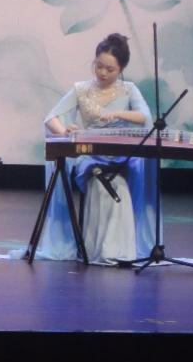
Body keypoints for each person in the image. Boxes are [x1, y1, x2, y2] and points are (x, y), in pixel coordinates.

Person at [34, 32, 157, 264]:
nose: (102, 73)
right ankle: (99, 250)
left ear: (121, 69)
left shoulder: (129, 90)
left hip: (120, 156)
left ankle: (117, 251)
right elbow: (51, 117)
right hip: (90, 155)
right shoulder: (81, 89)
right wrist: (65, 131)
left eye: (110, 69)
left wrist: (119, 113)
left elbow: (144, 117)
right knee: (102, 184)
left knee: (119, 184)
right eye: (99, 66)